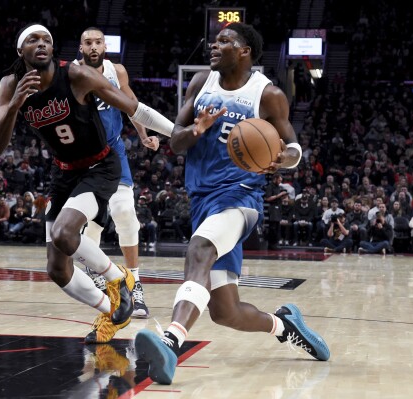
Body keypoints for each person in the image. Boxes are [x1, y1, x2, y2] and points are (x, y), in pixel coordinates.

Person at [134, 23, 330, 385]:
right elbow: (175, 143)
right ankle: (284, 325)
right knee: (226, 312)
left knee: (199, 248)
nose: (214, 44)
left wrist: (283, 158)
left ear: (245, 52)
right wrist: (197, 129)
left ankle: (170, 341)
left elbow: (293, 147)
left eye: (225, 40)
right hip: (202, 200)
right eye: (215, 38)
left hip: (241, 197)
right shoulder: (199, 84)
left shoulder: (267, 94)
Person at [0, 24, 174, 344]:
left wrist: (183, 134)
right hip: (65, 173)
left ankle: (120, 278)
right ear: (22, 51)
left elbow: (134, 107)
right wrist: (15, 104)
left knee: (64, 232)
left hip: (100, 166)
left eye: (46, 38)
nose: (42, 43)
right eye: (33, 40)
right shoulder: (10, 85)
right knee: (57, 270)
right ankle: (111, 312)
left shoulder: (74, 74)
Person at [75, 27, 165, 327]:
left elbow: (132, 107)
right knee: (90, 223)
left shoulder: (117, 71)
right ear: (81, 47)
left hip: (113, 154)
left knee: (125, 212)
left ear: (104, 46)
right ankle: (100, 278)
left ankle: (135, 285)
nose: (93, 46)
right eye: (88, 42)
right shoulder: (71, 74)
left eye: (98, 41)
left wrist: (144, 135)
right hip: (82, 158)